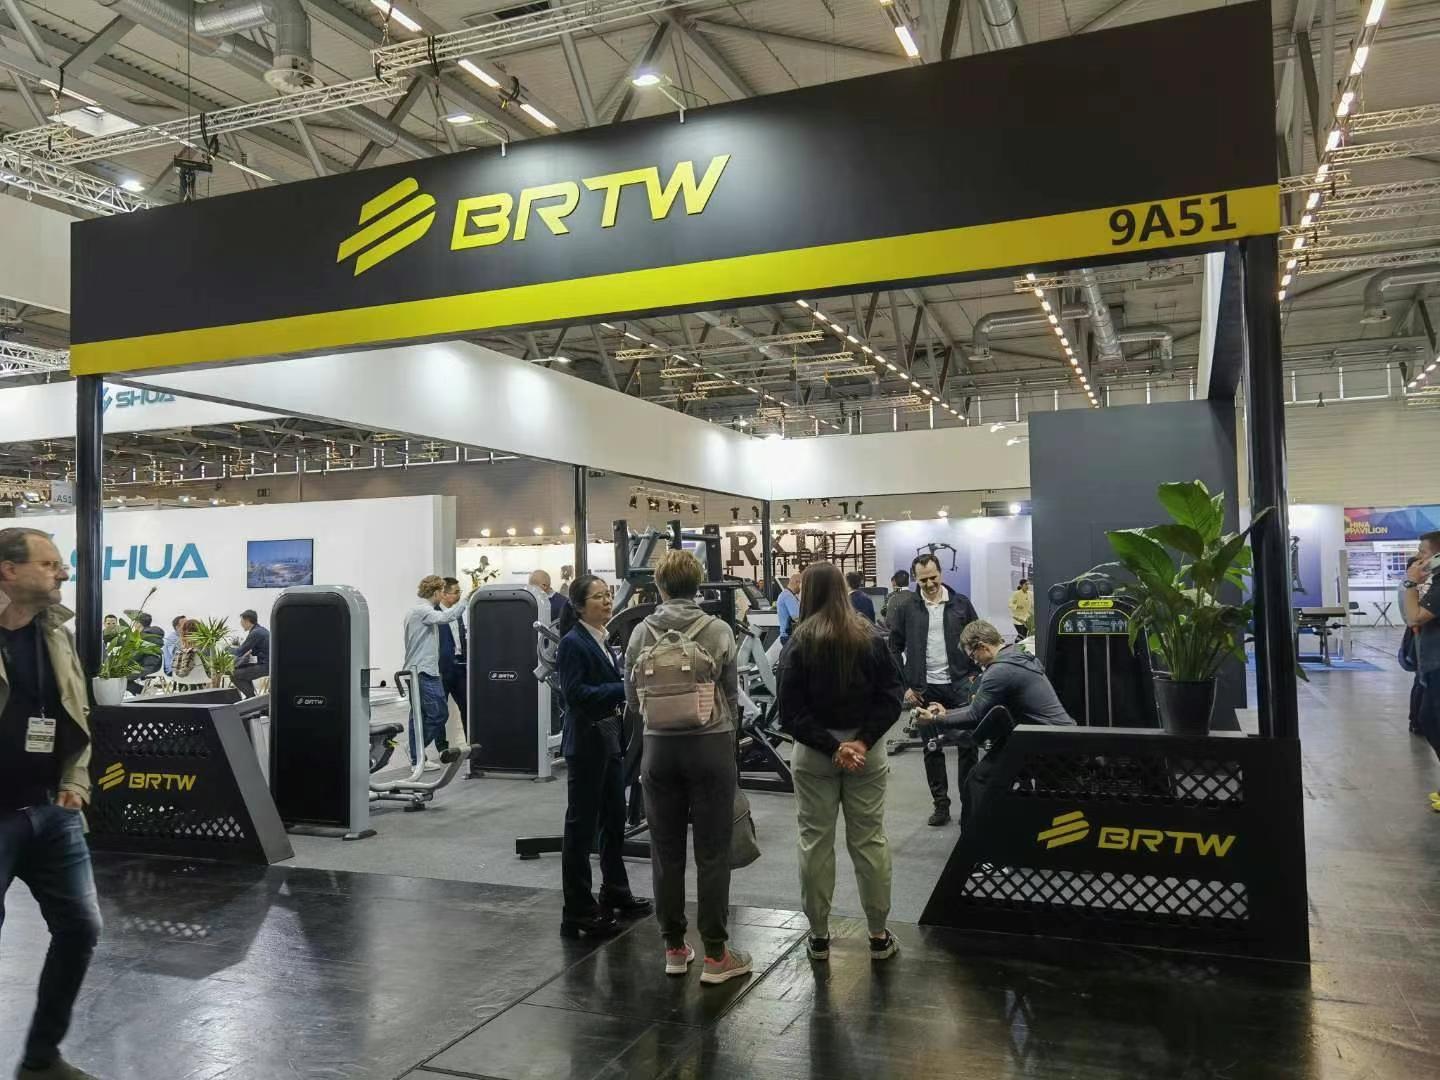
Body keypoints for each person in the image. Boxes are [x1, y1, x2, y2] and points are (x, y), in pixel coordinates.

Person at [0, 527, 102, 1080]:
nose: (63, 572)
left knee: (80, 928)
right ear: (8, 570)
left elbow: (76, 711)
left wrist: (77, 781)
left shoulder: (56, 633)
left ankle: (40, 1059)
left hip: (51, 811)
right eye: (50, 564)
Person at [625, 549, 749, 985]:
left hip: (659, 750)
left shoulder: (641, 631)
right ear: (698, 585)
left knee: (665, 851)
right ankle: (716, 955)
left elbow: (631, 697)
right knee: (713, 852)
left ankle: (675, 949)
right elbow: (731, 694)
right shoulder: (717, 629)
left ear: (658, 587)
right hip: (710, 746)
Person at [778, 562, 903, 963]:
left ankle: (818, 936)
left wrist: (833, 747)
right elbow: (891, 696)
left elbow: (789, 713)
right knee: (870, 840)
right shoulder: (870, 637)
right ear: (842, 590)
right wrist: (860, 742)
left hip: (814, 755)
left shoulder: (798, 643)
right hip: (866, 753)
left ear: (808, 593)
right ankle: (878, 935)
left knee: (815, 842)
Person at [556, 574, 652, 938]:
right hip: (587, 743)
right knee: (581, 828)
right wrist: (623, 688)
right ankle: (577, 910)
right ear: (580, 606)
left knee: (614, 819)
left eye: (608, 595)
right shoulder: (573, 643)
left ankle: (615, 889)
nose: (607, 601)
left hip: (609, 739)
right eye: (598, 597)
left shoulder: (601, 638)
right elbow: (575, 694)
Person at [917, 620, 1075, 831]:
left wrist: (935, 720)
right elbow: (981, 708)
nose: (974, 662)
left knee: (978, 780)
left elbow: (975, 715)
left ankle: (976, 841)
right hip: (1052, 739)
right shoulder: (1016, 655)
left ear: (982, 646)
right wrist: (948, 713)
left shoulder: (1000, 670)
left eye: (973, 656)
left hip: (1044, 745)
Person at [887, 553, 980, 827]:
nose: (929, 584)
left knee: (967, 747)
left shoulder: (961, 604)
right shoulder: (907, 608)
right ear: (915, 579)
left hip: (960, 687)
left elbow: (977, 639)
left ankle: (969, 807)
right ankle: (941, 806)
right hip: (924, 690)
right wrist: (905, 686)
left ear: (941, 574)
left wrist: (975, 677)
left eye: (933, 578)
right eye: (923, 580)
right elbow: (894, 648)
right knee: (932, 748)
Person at [404, 575, 466, 771]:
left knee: (420, 716)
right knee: (439, 713)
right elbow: (447, 617)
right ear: (437, 592)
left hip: (422, 670)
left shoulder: (418, 610)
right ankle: (415, 749)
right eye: (442, 591)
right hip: (422, 671)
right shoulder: (423, 611)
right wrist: (467, 600)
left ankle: (417, 758)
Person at [1402, 532, 1440, 806]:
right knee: (1427, 718)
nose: (1418, 558)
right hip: (1432, 664)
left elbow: (1414, 617)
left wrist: (1410, 583)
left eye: (1423, 552)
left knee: (1431, 719)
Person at [436, 577, 468, 743]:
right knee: (440, 711)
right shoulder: (434, 614)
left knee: (467, 706)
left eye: (459, 592)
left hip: (460, 667)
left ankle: (471, 742)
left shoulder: (458, 613)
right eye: (456, 592)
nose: (458, 595)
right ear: (444, 594)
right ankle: (442, 747)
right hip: (442, 668)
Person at [229, 609, 270, 699]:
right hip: (267, 664)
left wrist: (226, 649)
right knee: (241, 670)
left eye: (241, 621)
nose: (241, 623)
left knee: (234, 674)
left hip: (265, 666)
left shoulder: (256, 633)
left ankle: (251, 698)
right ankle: (251, 698)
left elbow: (240, 651)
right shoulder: (261, 630)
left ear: (247, 620)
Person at [128, 612, 165, 695]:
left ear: (138, 623)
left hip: (146, 666)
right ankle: (144, 691)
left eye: (135, 623)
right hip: (154, 664)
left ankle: (144, 691)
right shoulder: (153, 635)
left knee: (120, 676)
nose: (134, 625)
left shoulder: (144, 636)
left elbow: (136, 655)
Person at [171, 619, 210, 687]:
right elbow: (211, 663)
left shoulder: (177, 644)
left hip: (181, 679)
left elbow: (173, 662)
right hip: (202, 678)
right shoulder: (205, 644)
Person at [777, 571, 802, 644]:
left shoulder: (790, 595)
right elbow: (797, 617)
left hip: (788, 636)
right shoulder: (788, 596)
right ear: (797, 583)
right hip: (789, 637)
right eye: (802, 585)